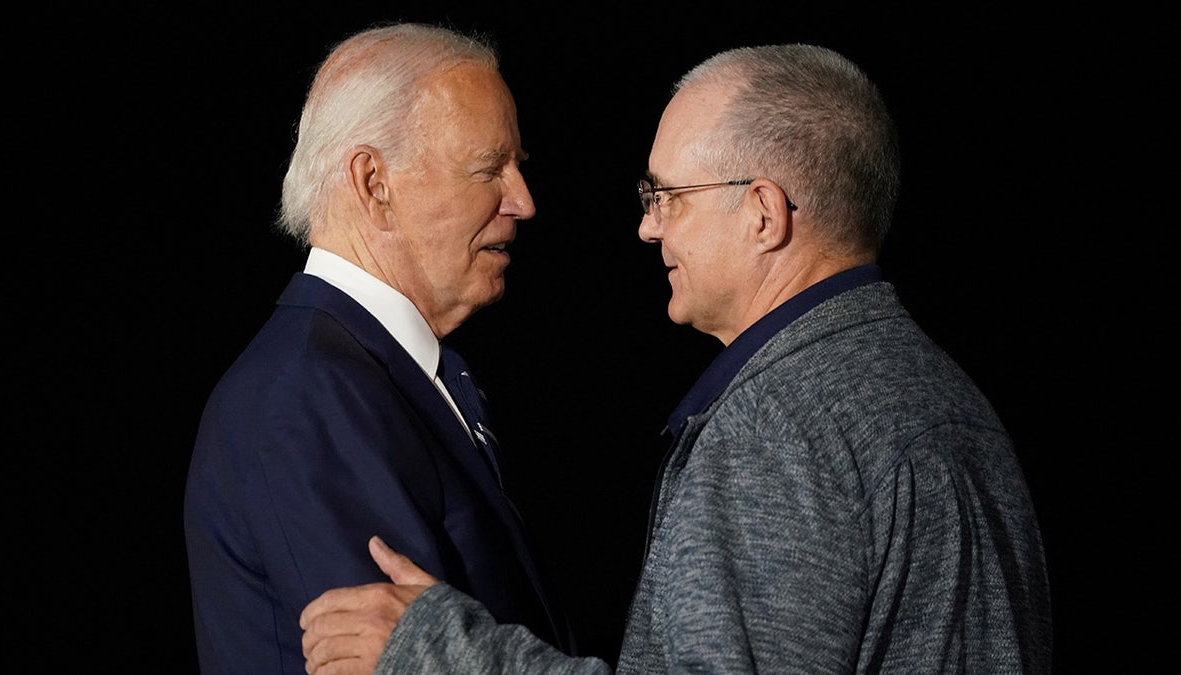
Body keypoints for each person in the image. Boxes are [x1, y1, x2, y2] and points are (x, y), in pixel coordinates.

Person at [298, 43, 1053, 674]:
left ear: (763, 212)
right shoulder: (944, 395)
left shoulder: (779, 426)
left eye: (668, 196)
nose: (648, 229)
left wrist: (436, 651)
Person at [183, 22, 573, 674]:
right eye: (489, 169)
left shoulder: (368, 372)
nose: (523, 201)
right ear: (373, 182)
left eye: (518, 167)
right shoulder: (308, 396)